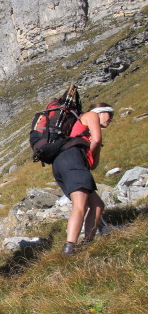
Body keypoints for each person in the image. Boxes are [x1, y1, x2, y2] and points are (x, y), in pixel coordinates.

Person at [51, 102, 114, 255]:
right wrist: (94, 143)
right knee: (80, 206)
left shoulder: (84, 131)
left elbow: (92, 164)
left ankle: (87, 243)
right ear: (100, 111)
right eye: (109, 114)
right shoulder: (91, 115)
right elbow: (97, 140)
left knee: (97, 205)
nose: (111, 119)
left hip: (63, 164)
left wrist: (92, 146)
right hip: (72, 161)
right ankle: (70, 247)